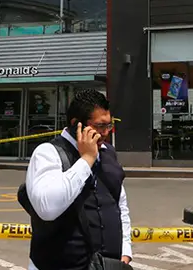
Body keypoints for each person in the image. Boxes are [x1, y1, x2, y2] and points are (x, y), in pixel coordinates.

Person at [23, 90, 132, 269]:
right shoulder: (48, 153)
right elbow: (47, 208)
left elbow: (120, 203)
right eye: (99, 126)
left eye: (109, 125)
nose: (105, 133)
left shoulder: (108, 153)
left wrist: (125, 250)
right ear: (76, 124)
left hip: (108, 264)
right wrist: (86, 159)